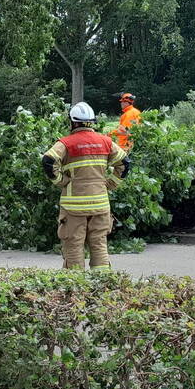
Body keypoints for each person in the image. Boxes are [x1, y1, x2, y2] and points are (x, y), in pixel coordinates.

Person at [42, 102, 130, 269]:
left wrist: (62, 181)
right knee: (99, 245)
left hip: (74, 206)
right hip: (100, 204)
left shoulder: (67, 143)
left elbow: (48, 161)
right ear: (92, 122)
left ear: (73, 122)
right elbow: (124, 163)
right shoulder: (106, 142)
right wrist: (111, 184)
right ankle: (103, 286)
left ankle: (76, 288)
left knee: (74, 246)